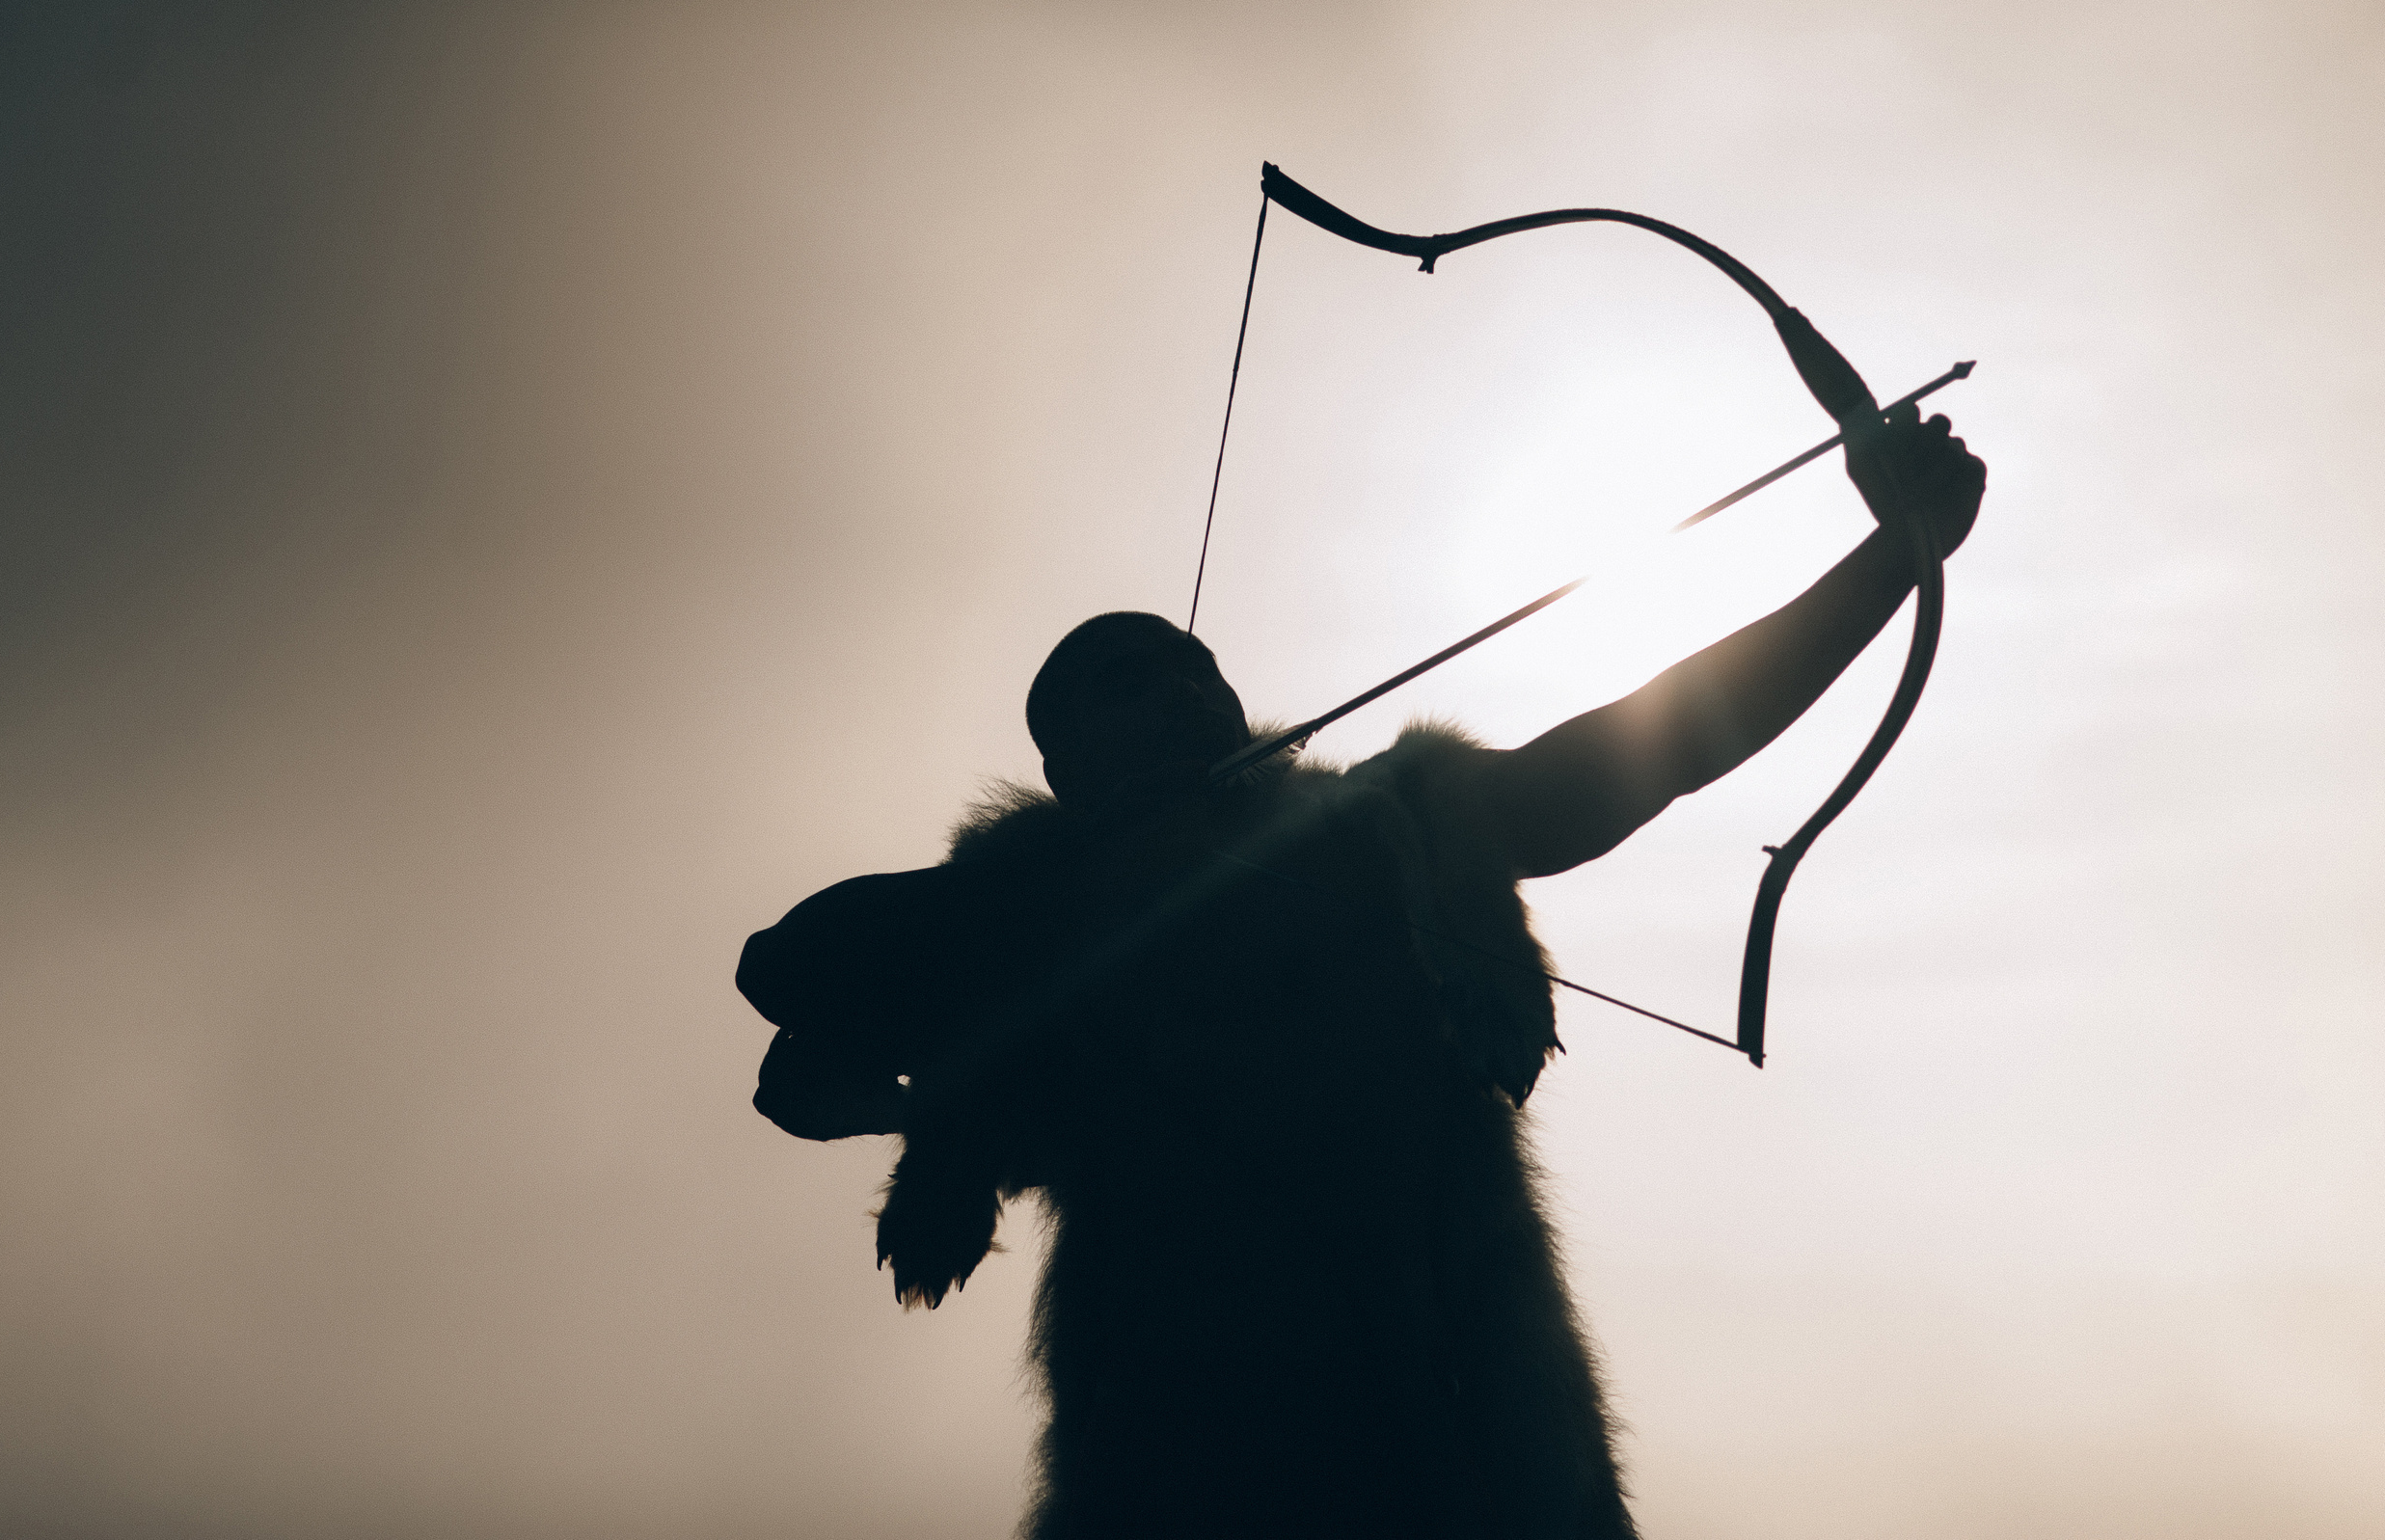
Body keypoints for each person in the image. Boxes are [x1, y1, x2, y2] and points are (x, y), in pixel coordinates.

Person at [740, 409, 1985, 1539]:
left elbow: (1638, 750)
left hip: (1465, 1436)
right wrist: (1022, 915)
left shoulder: (1397, 823)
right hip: (1179, 1461)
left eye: (1191, 675)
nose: (1173, 696)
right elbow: (790, 974)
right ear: (1068, 771)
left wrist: (1893, 557)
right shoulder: (1028, 912)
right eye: (1119, 692)